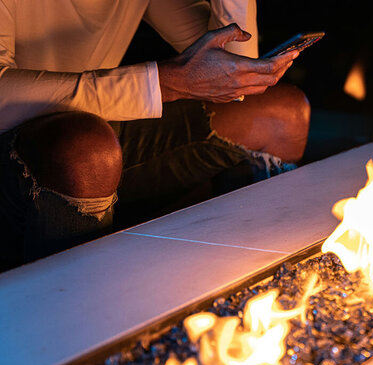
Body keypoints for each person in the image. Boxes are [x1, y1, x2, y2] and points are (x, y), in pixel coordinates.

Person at [0, 0, 310, 271]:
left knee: (282, 115)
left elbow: (235, 67)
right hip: (22, 151)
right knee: (85, 152)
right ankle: (74, 308)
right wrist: (163, 83)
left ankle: (249, 291)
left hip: (100, 131)